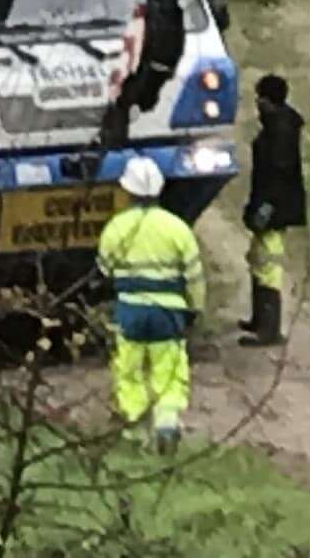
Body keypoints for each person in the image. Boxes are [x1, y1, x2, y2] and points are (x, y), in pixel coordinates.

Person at [94, 155, 206, 449]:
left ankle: (135, 427)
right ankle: (167, 424)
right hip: (168, 312)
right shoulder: (177, 228)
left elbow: (103, 269)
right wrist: (195, 308)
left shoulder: (116, 228)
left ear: (126, 190)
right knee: (168, 369)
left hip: (129, 310)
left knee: (128, 369)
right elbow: (194, 275)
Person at [238, 71, 307, 347]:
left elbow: (278, 173)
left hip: (275, 207)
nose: (257, 104)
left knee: (268, 263)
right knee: (258, 258)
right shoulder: (277, 125)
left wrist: (265, 208)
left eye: (260, 98)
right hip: (272, 203)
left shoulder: (280, 131)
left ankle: (269, 328)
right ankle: (259, 318)